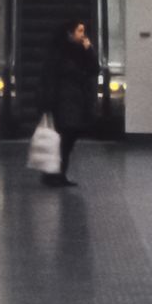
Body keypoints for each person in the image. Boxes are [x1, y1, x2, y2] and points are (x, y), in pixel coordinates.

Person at [44, 17, 101, 186]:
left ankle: (59, 173)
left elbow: (94, 69)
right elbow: (62, 73)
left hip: (76, 100)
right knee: (65, 136)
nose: (83, 35)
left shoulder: (81, 50)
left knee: (69, 137)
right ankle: (56, 173)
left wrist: (89, 49)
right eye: (79, 31)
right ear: (70, 33)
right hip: (64, 100)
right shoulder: (60, 51)